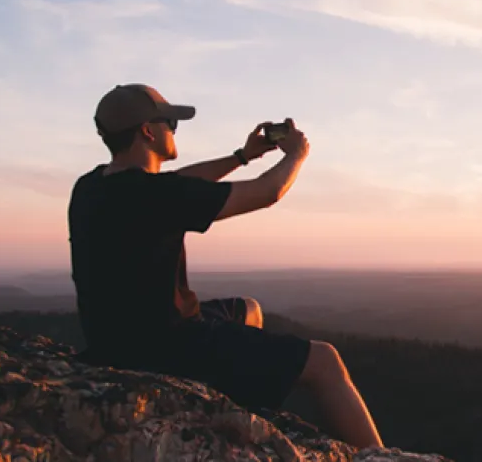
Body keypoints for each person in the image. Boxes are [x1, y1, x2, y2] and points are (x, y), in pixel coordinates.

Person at [67, 83, 382, 449]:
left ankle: (236, 404)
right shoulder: (153, 195)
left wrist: (241, 155)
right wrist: (296, 155)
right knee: (325, 362)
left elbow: (180, 182)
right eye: (170, 121)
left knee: (248, 310)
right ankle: (385, 459)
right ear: (147, 131)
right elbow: (267, 192)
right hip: (164, 348)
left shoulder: (90, 187)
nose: (174, 129)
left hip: (113, 341)